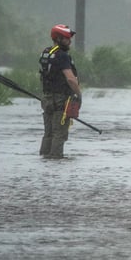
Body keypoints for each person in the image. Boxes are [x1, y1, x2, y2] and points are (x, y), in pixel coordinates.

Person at [39, 24, 82, 159]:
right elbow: (70, 79)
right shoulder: (62, 56)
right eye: (66, 38)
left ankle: (44, 159)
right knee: (59, 134)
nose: (70, 41)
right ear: (58, 38)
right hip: (60, 100)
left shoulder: (47, 52)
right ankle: (56, 162)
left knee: (49, 133)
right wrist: (79, 95)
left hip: (47, 99)